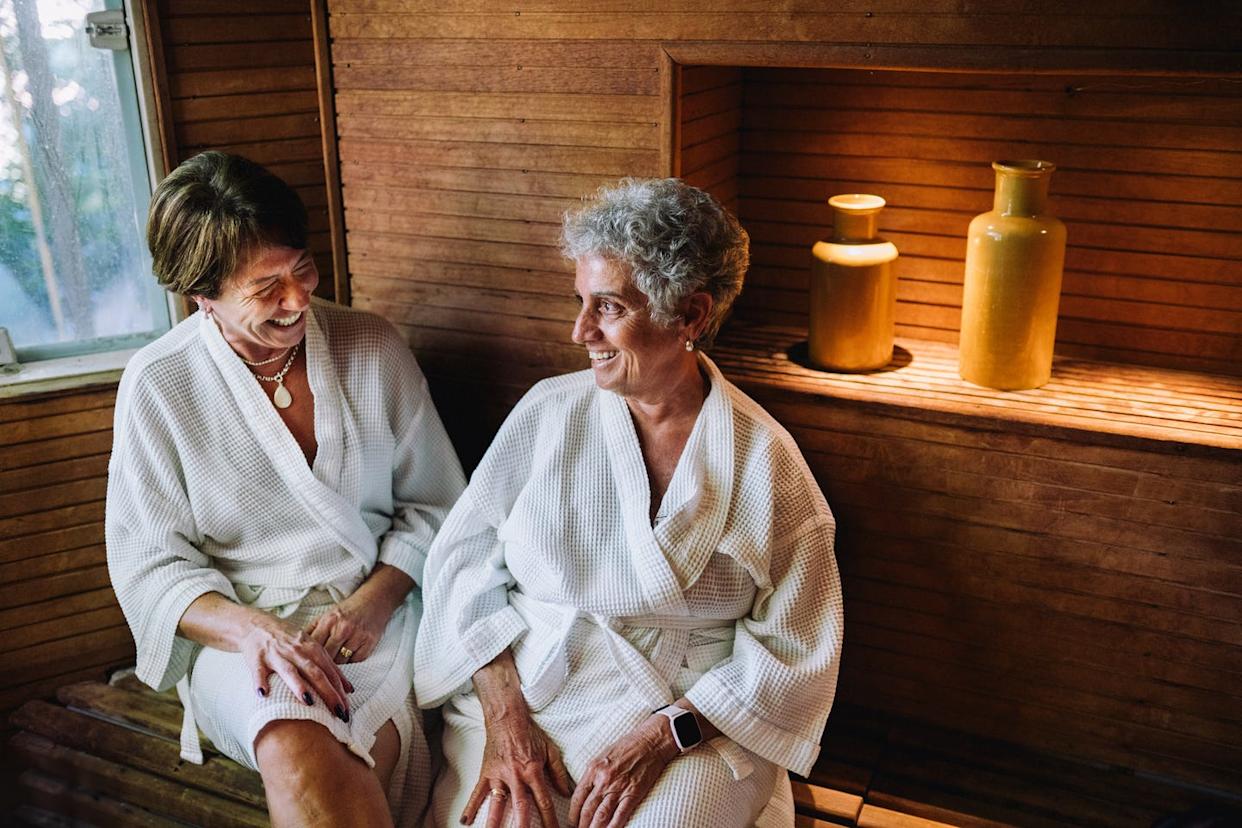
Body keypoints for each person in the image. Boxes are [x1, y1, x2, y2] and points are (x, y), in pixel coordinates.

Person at [414, 178, 843, 828]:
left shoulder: (766, 463)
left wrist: (664, 734)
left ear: (690, 316)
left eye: (607, 307)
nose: (580, 329)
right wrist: (506, 720)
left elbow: (797, 647)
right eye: (581, 301)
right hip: (536, 692)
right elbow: (463, 565)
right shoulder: (549, 412)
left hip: (690, 715)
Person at [106, 152, 466, 827]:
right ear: (201, 294)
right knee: (292, 734)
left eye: (301, 268)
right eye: (266, 285)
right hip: (239, 637)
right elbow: (147, 562)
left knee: (361, 752)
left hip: (377, 616)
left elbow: (437, 504)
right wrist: (255, 633)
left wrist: (371, 604)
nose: (297, 299)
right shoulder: (160, 383)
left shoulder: (372, 345)